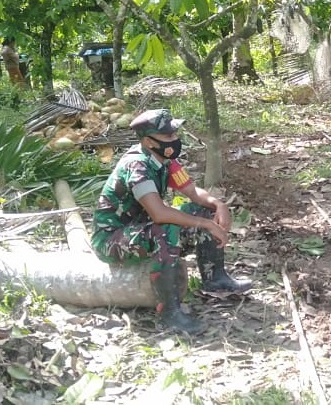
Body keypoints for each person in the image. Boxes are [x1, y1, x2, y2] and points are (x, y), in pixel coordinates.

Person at [91, 109, 251, 334]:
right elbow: (159, 214)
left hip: (140, 229)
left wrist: (218, 204)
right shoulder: (137, 166)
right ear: (148, 141)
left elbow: (193, 192)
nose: (175, 140)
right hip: (112, 239)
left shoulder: (166, 162)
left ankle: (215, 279)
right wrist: (206, 225)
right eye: (168, 137)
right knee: (165, 228)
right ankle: (169, 313)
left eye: (175, 134)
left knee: (202, 210)